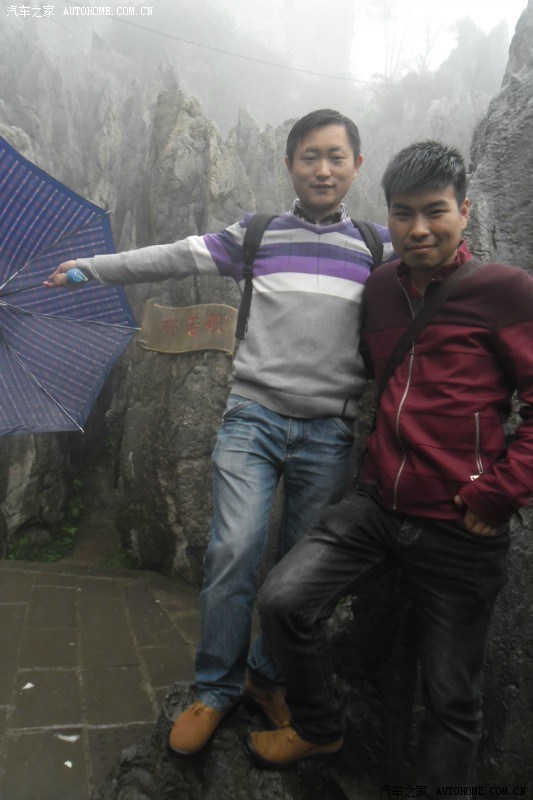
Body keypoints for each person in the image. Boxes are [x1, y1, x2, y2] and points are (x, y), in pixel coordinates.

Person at [45, 109, 392, 757]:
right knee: (233, 548)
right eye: (309, 156)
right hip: (253, 420)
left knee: (298, 573)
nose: (322, 169)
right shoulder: (258, 235)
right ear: (289, 165)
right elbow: (173, 256)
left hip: (329, 433)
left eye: (335, 156)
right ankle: (215, 686)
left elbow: (438, 275)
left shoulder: (377, 250)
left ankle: (267, 675)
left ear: (356, 166)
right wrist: (91, 268)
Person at [245, 141, 533, 792]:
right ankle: (319, 724)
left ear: (464, 211)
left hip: (461, 527)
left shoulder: (506, 292)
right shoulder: (378, 290)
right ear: (388, 216)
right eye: (403, 214)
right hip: (376, 506)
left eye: (435, 211)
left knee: (451, 697)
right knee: (284, 601)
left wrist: (499, 493)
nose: (419, 229)